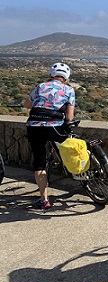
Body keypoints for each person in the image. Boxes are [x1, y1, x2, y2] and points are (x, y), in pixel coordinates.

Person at [23, 62, 75, 209]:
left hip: (35, 127)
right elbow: (69, 117)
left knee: (39, 162)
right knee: (69, 145)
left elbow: (27, 105)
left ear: (51, 75)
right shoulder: (69, 90)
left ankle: (44, 200)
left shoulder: (40, 86)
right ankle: (75, 169)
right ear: (66, 77)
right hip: (55, 127)